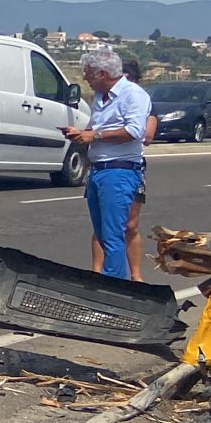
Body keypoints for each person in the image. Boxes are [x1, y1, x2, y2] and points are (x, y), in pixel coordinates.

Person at [62, 47, 151, 280]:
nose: (85, 79)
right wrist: (81, 133)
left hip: (119, 170)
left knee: (114, 236)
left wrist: (95, 135)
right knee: (102, 234)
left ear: (102, 73)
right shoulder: (102, 97)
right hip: (99, 169)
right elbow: (97, 128)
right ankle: (110, 286)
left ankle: (113, 290)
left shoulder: (133, 94)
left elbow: (135, 131)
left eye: (88, 73)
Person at [94, 58, 162, 280]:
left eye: (129, 79)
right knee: (105, 227)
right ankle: (98, 273)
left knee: (129, 225)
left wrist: (99, 133)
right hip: (104, 165)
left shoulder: (140, 100)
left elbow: (146, 135)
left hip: (129, 166)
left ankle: (134, 275)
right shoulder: (103, 98)